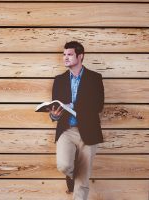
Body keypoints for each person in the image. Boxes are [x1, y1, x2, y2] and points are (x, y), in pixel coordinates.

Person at [48, 41, 104, 200]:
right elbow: (55, 107)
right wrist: (54, 115)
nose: (65, 58)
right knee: (64, 165)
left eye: (70, 54)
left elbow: (98, 105)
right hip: (66, 130)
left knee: (83, 182)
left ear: (80, 56)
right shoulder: (59, 80)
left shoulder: (95, 78)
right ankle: (72, 175)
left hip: (89, 131)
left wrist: (72, 105)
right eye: (64, 54)